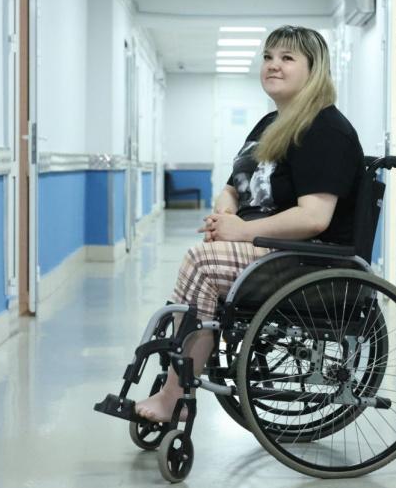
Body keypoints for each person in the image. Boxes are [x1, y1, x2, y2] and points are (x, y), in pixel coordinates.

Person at [135, 25, 365, 422]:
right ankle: (178, 378)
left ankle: (174, 397)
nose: (273, 65)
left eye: (287, 58)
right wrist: (225, 215)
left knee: (201, 264)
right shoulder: (270, 124)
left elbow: (314, 217)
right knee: (202, 262)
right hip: (268, 250)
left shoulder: (325, 129)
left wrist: (240, 231)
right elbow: (234, 188)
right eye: (268, 57)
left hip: (308, 260)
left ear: (314, 70)